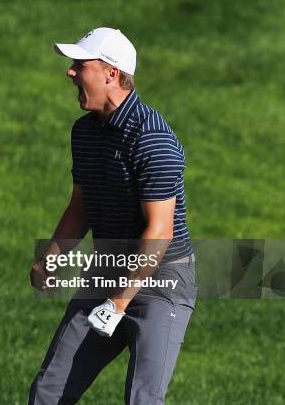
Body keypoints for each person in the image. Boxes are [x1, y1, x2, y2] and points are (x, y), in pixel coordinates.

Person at [28, 28, 196, 404]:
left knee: (142, 399)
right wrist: (50, 258)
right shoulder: (84, 132)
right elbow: (81, 206)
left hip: (161, 281)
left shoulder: (153, 139)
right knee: (48, 393)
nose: (70, 73)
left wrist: (119, 302)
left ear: (111, 74)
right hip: (108, 268)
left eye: (79, 65)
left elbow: (160, 230)